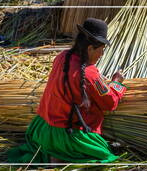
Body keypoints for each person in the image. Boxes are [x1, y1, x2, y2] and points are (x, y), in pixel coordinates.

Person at [8, 18, 126, 163]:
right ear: (90, 48)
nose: (102, 55)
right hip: (67, 135)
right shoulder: (90, 74)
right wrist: (116, 83)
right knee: (106, 156)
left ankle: (54, 153)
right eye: (101, 50)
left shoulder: (61, 57)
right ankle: (61, 155)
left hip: (41, 130)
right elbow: (110, 102)